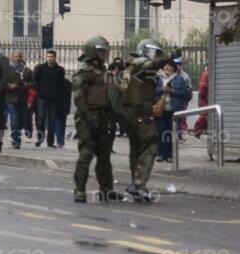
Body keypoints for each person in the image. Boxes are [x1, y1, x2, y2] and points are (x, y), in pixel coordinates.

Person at [72, 36, 123, 203]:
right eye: (100, 51)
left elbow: (111, 94)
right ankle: (79, 190)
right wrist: (88, 118)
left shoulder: (104, 71)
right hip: (88, 117)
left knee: (104, 155)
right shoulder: (84, 72)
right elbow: (79, 99)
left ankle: (106, 189)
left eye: (105, 51)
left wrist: (113, 115)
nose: (104, 53)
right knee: (86, 153)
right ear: (91, 52)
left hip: (105, 117)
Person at [119, 39, 169, 202]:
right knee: (152, 144)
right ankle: (139, 185)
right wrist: (168, 57)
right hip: (140, 112)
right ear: (148, 51)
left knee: (136, 148)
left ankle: (135, 184)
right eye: (156, 53)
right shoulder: (141, 62)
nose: (157, 57)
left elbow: (122, 86)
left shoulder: (130, 65)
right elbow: (150, 66)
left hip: (130, 112)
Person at [155, 60, 191, 162]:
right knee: (161, 131)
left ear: (173, 68)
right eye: (165, 65)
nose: (166, 67)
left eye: (169, 65)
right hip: (161, 110)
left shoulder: (180, 79)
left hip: (174, 110)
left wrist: (171, 91)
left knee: (171, 133)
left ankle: (170, 155)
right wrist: (163, 89)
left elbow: (185, 93)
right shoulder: (159, 79)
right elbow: (154, 92)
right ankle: (161, 154)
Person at [33, 50, 66, 148]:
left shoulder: (59, 70)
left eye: (51, 56)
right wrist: (40, 92)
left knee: (52, 121)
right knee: (40, 119)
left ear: (55, 58)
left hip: (54, 99)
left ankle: (50, 142)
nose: (49, 58)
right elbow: (36, 81)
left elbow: (61, 84)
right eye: (48, 56)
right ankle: (40, 138)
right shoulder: (41, 68)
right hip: (42, 98)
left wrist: (57, 94)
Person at [4, 50, 33, 149]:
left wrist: (26, 84)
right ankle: (16, 140)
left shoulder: (27, 71)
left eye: (19, 56)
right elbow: (2, 81)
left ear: (22, 58)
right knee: (14, 120)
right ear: (12, 57)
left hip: (23, 99)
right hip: (11, 99)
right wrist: (8, 85)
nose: (17, 58)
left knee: (22, 121)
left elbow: (33, 83)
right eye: (15, 56)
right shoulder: (7, 70)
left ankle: (16, 136)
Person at [193, 64, 210, 138]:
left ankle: (198, 132)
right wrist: (204, 98)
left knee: (206, 116)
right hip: (204, 99)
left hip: (204, 98)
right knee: (204, 116)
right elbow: (203, 87)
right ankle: (196, 131)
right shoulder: (206, 74)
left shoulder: (206, 73)